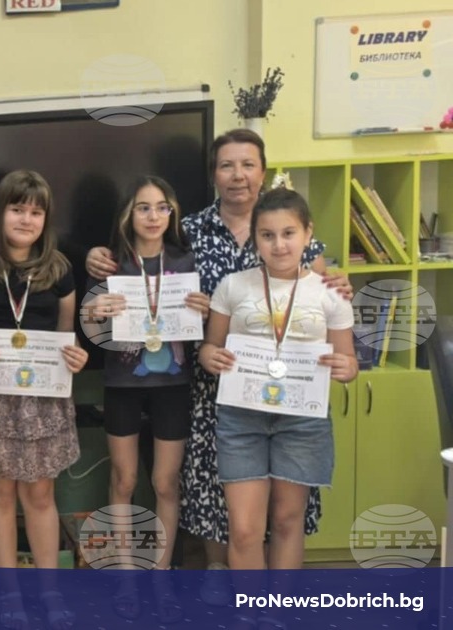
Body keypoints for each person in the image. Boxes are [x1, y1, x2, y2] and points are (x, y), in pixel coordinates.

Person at [83, 130, 351, 589]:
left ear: (263, 171)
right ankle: (218, 571)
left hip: (291, 392)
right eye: (227, 165)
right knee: (213, 486)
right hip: (210, 384)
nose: (237, 175)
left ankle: (273, 593)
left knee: (281, 507)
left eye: (248, 164)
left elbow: (319, 289)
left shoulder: (290, 226)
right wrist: (97, 256)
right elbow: (143, 252)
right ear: (213, 174)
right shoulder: (189, 228)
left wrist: (339, 282)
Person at [200, 189, 356, 629]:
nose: (279, 244)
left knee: (287, 521)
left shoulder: (330, 293)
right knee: (245, 528)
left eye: (289, 233)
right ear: (255, 239)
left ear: (308, 234)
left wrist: (347, 367)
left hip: (302, 422)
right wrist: (210, 357)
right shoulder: (233, 286)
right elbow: (210, 347)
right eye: (267, 235)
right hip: (241, 419)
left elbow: (348, 362)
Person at [0, 170, 87, 630]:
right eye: (17, 209)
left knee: (40, 493)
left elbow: (67, 334)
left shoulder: (60, 270)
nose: (26, 219)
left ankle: (49, 591)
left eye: (36, 211)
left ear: (46, 218)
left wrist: (75, 353)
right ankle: (8, 592)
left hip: (41, 397)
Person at [84, 176, 209, 622]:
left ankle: (161, 576)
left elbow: (208, 324)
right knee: (123, 479)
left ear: (172, 214)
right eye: (143, 207)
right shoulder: (108, 264)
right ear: (128, 214)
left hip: (173, 386)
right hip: (122, 384)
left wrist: (205, 310)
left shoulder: (187, 261)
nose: (153, 216)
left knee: (165, 484)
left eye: (162, 207)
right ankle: (125, 578)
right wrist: (94, 313)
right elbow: (90, 330)